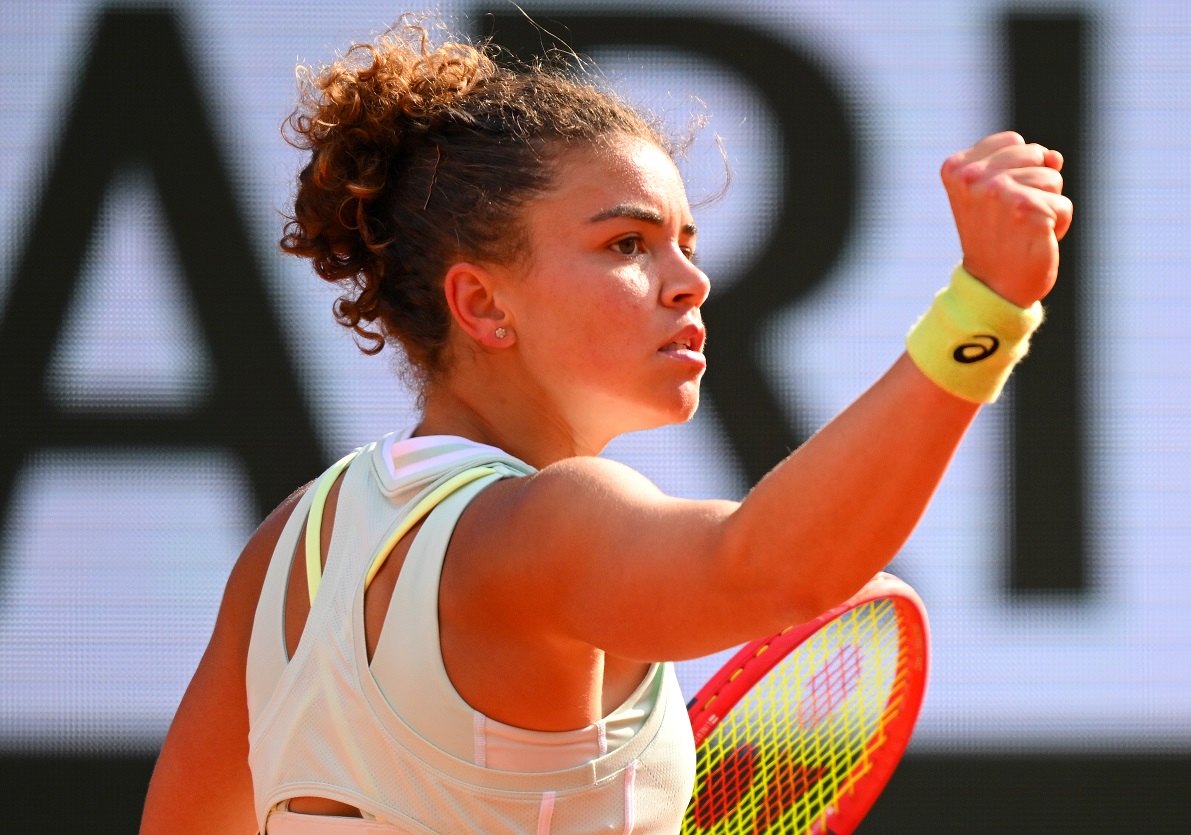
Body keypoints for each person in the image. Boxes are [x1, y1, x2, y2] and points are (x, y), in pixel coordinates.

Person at [140, 21, 1071, 835]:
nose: (689, 281)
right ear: (482, 303)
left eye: (685, 244)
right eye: (626, 244)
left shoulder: (290, 546)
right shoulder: (553, 519)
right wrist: (984, 306)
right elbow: (770, 570)